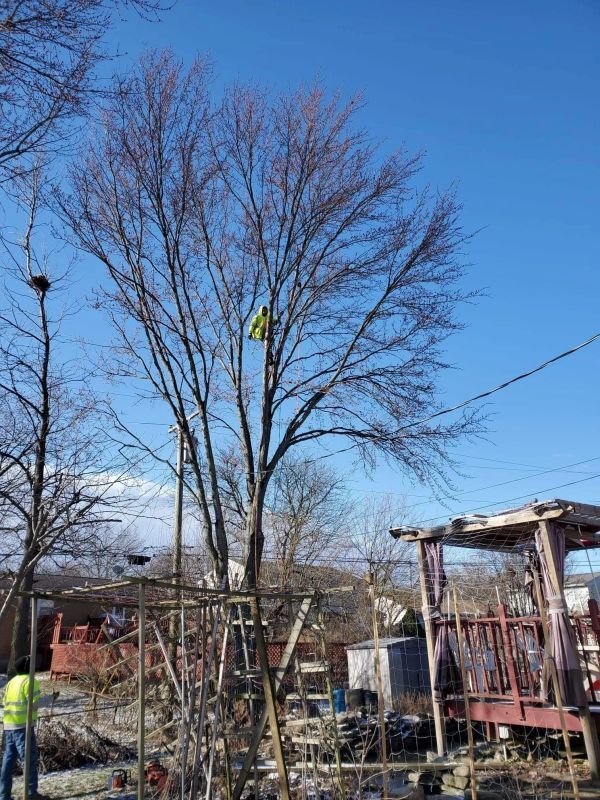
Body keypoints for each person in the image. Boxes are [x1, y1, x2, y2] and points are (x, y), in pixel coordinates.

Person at [1, 656, 54, 800]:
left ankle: (3, 795)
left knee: (8, 761)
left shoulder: (11, 682)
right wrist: (51, 699)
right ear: (29, 668)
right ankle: (31, 794)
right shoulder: (30, 681)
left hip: (8, 726)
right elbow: (35, 704)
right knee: (29, 760)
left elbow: (4, 701)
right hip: (23, 727)